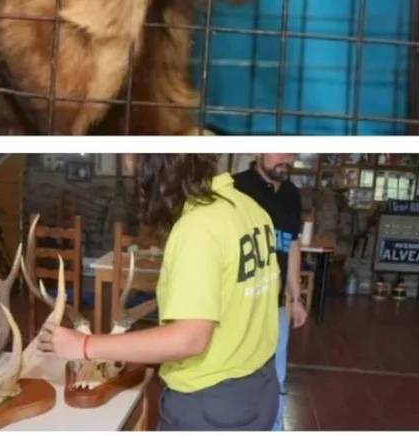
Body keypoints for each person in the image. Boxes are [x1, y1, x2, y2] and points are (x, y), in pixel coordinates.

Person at [37, 154, 280, 430]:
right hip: (259, 389)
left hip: (210, 405)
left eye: (136, 171)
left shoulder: (197, 228)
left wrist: (84, 345)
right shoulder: (250, 208)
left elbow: (190, 339)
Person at [232, 153, 308, 430]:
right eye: (278, 151)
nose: (285, 159)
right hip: (240, 305)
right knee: (239, 374)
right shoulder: (236, 188)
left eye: (291, 153)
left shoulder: (291, 194)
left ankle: (274, 428)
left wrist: (296, 298)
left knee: (276, 376)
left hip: (275, 306)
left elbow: (292, 245)